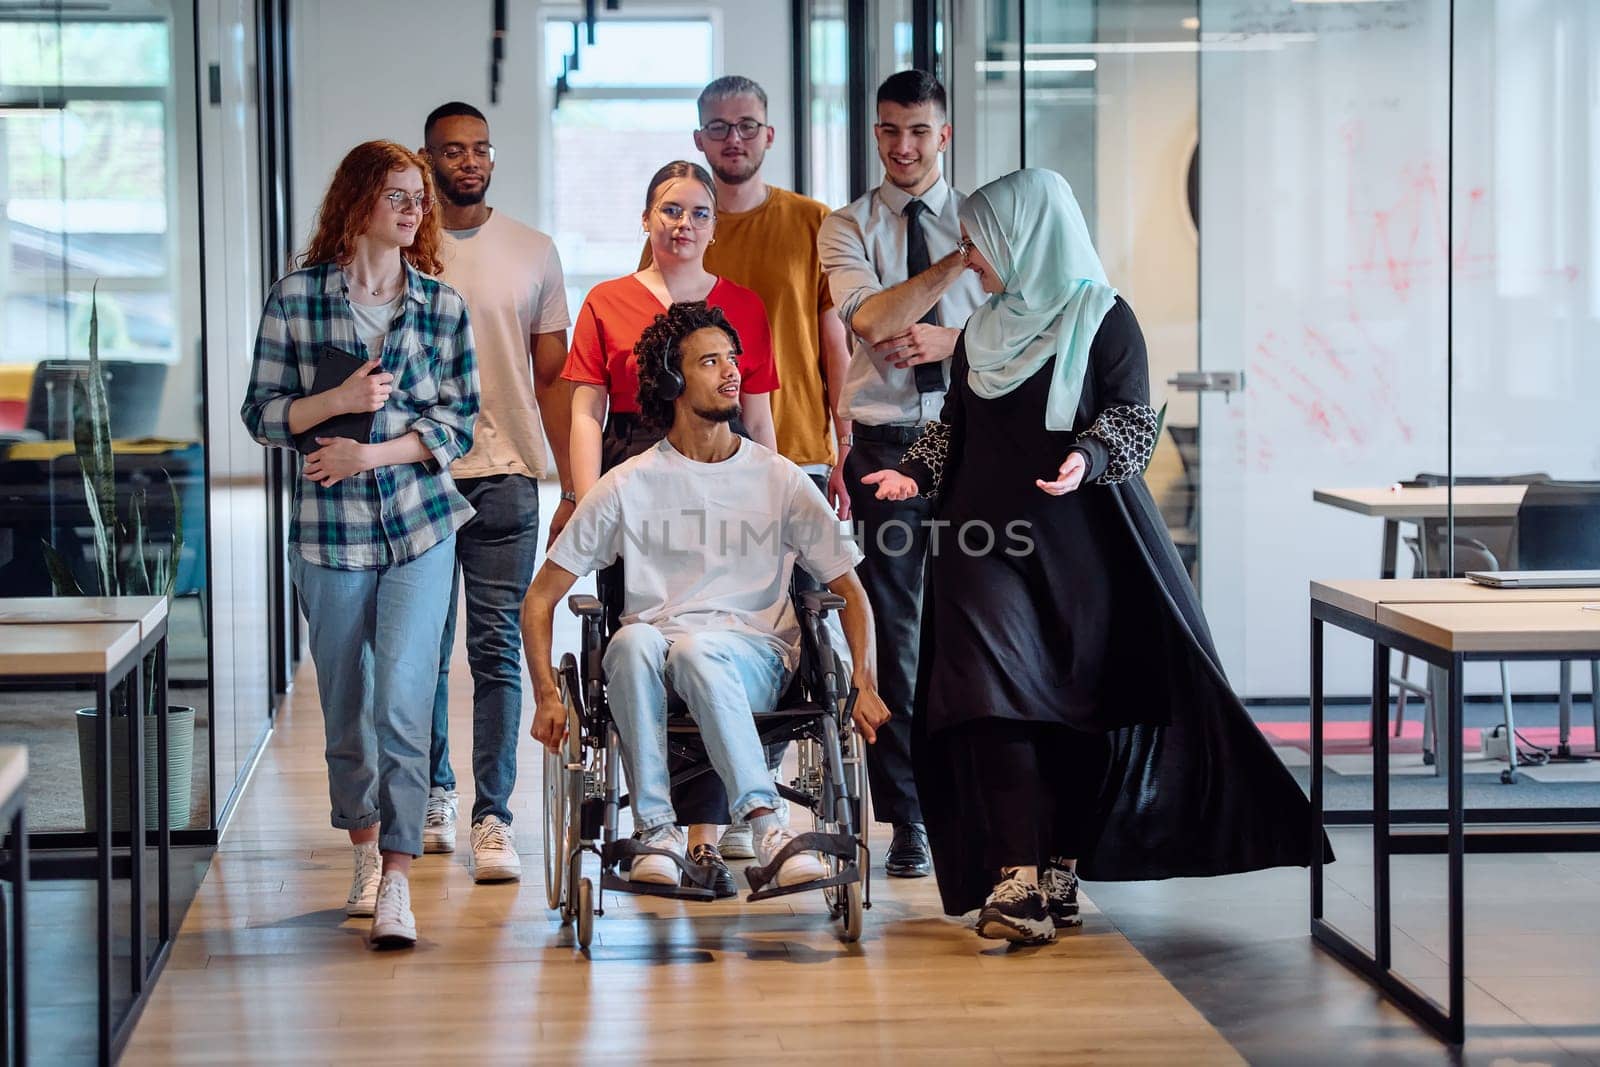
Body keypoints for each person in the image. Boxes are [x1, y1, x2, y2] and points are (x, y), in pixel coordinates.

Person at [864, 168, 1324, 945]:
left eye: (980, 244)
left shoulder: (1106, 319)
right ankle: (1014, 874)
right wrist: (913, 469)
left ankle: (1056, 866)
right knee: (986, 695)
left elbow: (1133, 417)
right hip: (984, 545)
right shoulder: (984, 329)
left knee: (1072, 708)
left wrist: (1090, 456)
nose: (971, 260)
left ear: (1027, 236)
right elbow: (957, 426)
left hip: (1080, 547)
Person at [524, 301, 890, 890]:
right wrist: (546, 693)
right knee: (633, 639)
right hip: (654, 667)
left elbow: (850, 587)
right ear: (672, 378)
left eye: (733, 359)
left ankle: (767, 823)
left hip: (755, 658)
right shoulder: (629, 484)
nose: (731, 373)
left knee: (695, 651)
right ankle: (658, 833)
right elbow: (540, 599)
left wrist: (865, 684)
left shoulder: (780, 478)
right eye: (710, 361)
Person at [241, 140, 478, 948]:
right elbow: (261, 414)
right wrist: (332, 401)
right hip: (328, 535)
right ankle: (367, 851)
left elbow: (456, 424)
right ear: (357, 203)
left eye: (419, 198)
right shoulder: (297, 299)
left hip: (419, 526)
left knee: (406, 704)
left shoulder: (442, 306)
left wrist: (368, 451)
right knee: (347, 709)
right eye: (397, 197)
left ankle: (400, 882)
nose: (414, 210)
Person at [640, 74, 853, 860]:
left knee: (784, 626)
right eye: (720, 127)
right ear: (700, 139)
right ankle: (723, 804)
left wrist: (840, 434)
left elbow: (833, 335)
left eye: (748, 126)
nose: (735, 139)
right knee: (707, 617)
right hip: (700, 461)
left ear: (769, 135)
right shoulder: (681, 226)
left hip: (791, 448)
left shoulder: (809, 220)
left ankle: (749, 789)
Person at [563, 161, 780, 894]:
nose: (682, 225)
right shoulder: (608, 300)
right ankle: (657, 829)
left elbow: (756, 419)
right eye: (668, 210)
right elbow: (587, 408)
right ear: (647, 219)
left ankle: (707, 839)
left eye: (697, 213)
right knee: (645, 643)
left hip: (723, 479)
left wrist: (770, 497)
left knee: (713, 631)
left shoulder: (744, 305)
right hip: (635, 476)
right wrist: (589, 500)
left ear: (715, 225)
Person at [816, 69, 984, 879]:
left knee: (984, 628)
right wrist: (956, 268)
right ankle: (909, 819)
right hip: (885, 445)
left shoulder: (993, 217)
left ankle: (980, 808)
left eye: (919, 130)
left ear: (943, 134)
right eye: (889, 131)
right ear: (875, 135)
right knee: (898, 636)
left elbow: (1032, 327)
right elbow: (874, 319)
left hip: (976, 439)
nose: (904, 146)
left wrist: (959, 344)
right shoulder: (845, 227)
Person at [417, 102, 572, 883]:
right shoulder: (405, 246)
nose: (469, 161)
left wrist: (573, 481)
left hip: (507, 472)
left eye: (479, 148)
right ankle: (437, 792)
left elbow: (552, 379)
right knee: (422, 652)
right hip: (416, 474)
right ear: (428, 158)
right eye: (453, 150)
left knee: (498, 652)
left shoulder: (534, 251)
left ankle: (493, 816)